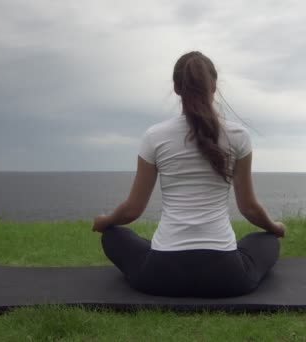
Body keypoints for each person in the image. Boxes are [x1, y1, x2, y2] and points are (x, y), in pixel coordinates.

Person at [92, 51, 286, 298]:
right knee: (268, 240)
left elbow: (132, 210)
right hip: (227, 276)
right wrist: (275, 227)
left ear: (176, 88)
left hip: (161, 275)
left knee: (113, 236)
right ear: (213, 86)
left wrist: (105, 221)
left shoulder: (154, 136)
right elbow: (249, 208)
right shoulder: (238, 137)